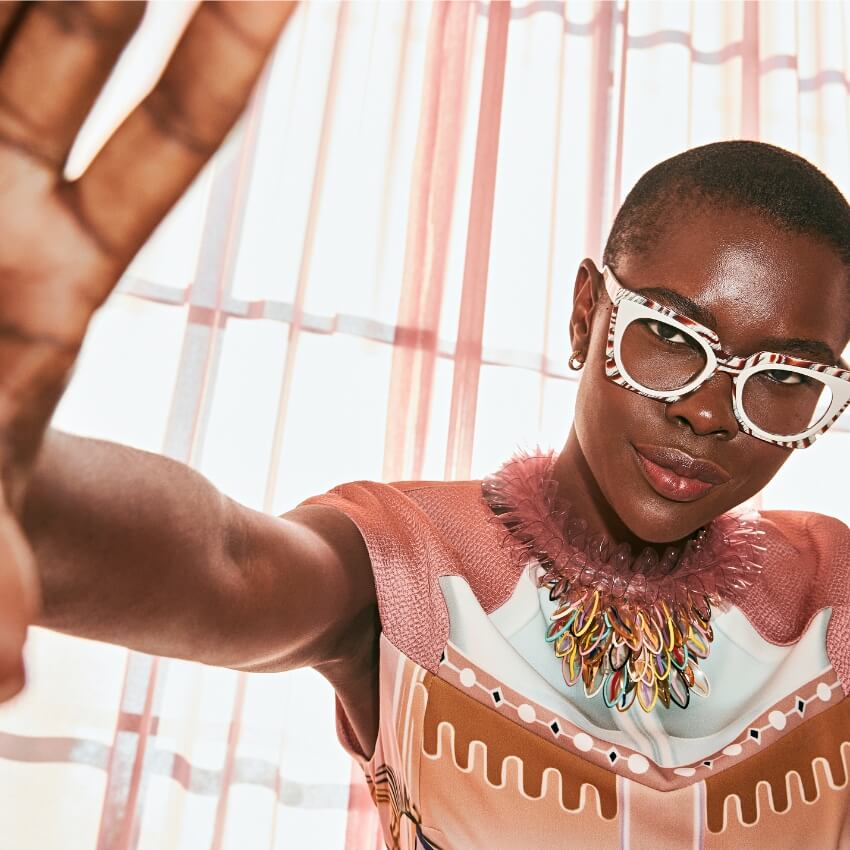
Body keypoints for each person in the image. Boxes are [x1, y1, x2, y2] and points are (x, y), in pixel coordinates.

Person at [1, 4, 849, 849]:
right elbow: (228, 562)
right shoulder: (410, 566)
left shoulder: (833, 595)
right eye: (668, 334)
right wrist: (16, 474)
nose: (706, 413)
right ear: (587, 315)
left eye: (784, 377)